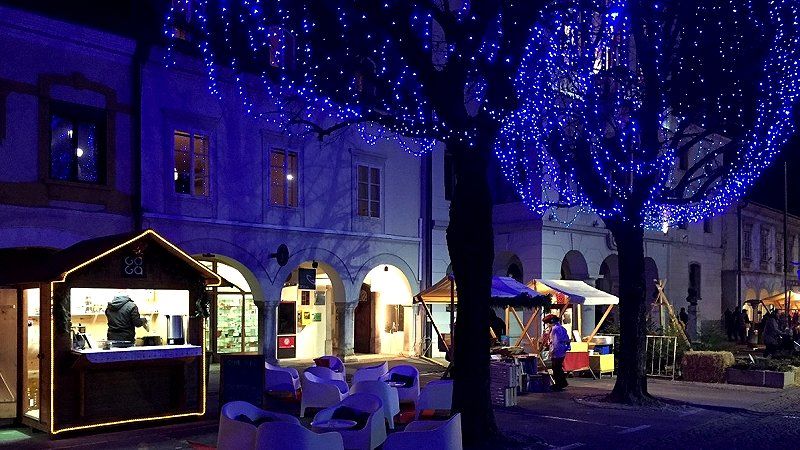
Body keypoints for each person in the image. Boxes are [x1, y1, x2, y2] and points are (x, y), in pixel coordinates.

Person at [543, 314, 570, 391]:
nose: (547, 325)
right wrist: (567, 347)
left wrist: (552, 351)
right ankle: (562, 383)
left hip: (557, 350)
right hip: (562, 349)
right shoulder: (562, 328)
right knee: (558, 367)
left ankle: (559, 384)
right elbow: (567, 339)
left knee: (556, 368)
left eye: (547, 323)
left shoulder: (555, 329)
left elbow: (555, 342)